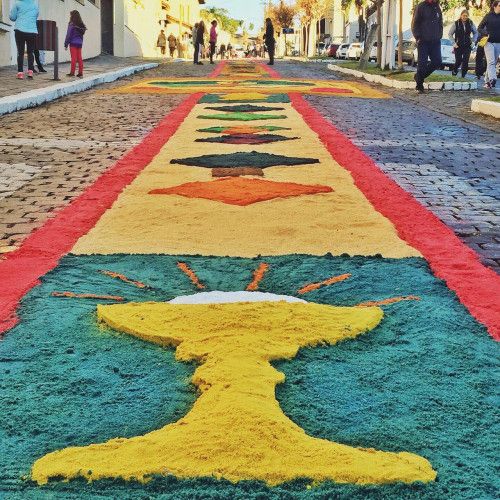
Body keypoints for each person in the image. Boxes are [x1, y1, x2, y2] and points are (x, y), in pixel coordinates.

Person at [411, 0, 443, 93]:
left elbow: (440, 22)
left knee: (437, 62)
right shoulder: (421, 6)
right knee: (422, 64)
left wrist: (439, 34)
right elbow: (415, 23)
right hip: (423, 40)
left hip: (435, 40)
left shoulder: (437, 7)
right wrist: (418, 36)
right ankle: (419, 85)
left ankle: (418, 77)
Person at [9, 0, 39, 80]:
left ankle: (20, 73)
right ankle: (30, 72)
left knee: (21, 52)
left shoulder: (17, 3)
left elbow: (12, 17)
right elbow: (36, 16)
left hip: (20, 30)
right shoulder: (35, 4)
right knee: (30, 52)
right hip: (32, 31)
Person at [478, 0, 500, 88]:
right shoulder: (488, 16)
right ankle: (493, 79)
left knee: (493, 63)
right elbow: (479, 28)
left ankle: (487, 81)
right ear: (494, 6)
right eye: (499, 5)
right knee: (491, 61)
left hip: (498, 43)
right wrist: (486, 33)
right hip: (488, 42)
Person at [448, 10, 477, 77]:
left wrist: (473, 41)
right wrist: (453, 43)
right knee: (458, 60)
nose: (465, 17)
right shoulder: (456, 23)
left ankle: (463, 76)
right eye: (464, 15)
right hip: (458, 45)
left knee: (465, 60)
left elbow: (475, 32)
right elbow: (450, 34)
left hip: (467, 45)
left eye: (466, 16)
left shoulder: (470, 23)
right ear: (461, 15)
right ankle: (454, 70)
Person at [64, 10, 86, 78]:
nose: (70, 16)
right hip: (79, 43)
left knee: (73, 58)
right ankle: (80, 73)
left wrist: (66, 44)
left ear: (72, 16)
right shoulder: (81, 24)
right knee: (79, 58)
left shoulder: (72, 24)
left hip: (73, 43)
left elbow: (68, 34)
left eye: (71, 15)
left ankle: (72, 73)